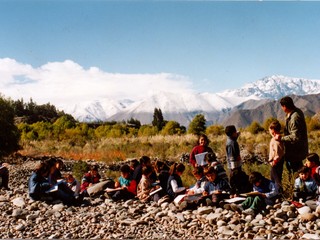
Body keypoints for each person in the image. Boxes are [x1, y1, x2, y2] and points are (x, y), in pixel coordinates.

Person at [275, 96, 308, 174]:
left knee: (296, 171)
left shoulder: (295, 117)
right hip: (296, 150)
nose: (282, 109)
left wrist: (281, 138)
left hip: (295, 151)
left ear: (285, 106)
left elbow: (295, 136)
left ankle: (297, 185)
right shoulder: (295, 112)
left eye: (282, 107)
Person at [225, 125, 250, 197]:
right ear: (233, 133)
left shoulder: (230, 140)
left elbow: (236, 135)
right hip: (235, 168)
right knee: (236, 183)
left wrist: (237, 133)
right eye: (235, 131)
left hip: (234, 167)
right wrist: (234, 169)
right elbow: (232, 157)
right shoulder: (232, 143)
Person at [268, 120, 285, 193]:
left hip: (276, 162)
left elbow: (278, 153)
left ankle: (280, 194)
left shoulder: (276, 140)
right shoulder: (274, 139)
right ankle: (275, 193)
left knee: (276, 179)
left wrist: (274, 161)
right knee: (274, 179)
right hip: (276, 162)